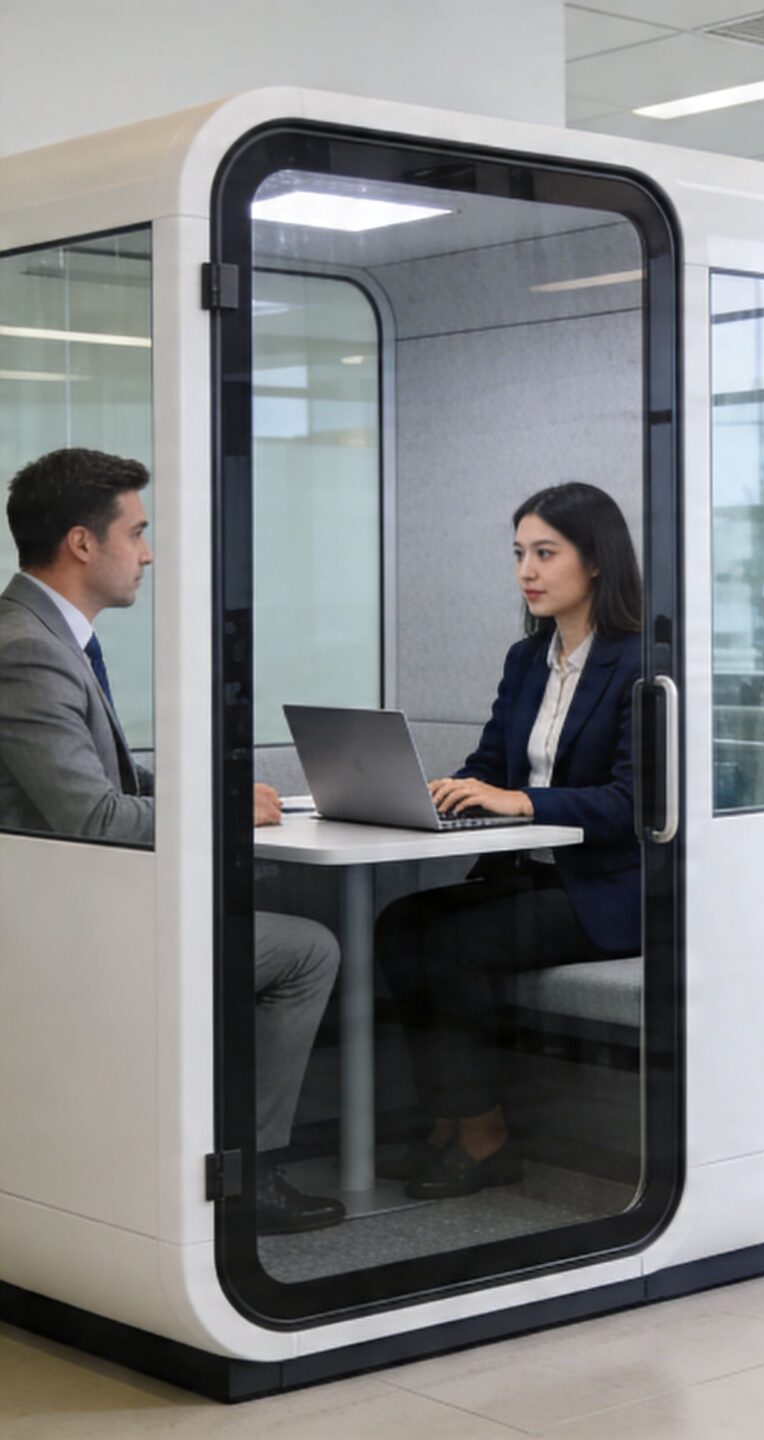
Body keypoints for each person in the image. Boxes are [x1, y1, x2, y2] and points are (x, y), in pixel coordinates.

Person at [0, 447, 344, 1235]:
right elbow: (94, 819)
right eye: (138, 532)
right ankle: (247, 1175)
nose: (148, 553)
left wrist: (220, 798)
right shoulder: (27, 649)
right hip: (65, 924)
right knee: (306, 949)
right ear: (83, 544)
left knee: (273, 922)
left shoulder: (47, 634)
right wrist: (224, 819)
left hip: (81, 902)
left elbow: (105, 782)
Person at [373, 482, 644, 1201]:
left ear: (595, 562)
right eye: (520, 553)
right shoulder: (527, 661)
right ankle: (449, 1120)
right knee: (399, 925)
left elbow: (634, 801)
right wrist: (445, 789)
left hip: (611, 889)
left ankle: (485, 1135)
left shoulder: (644, 662)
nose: (526, 570)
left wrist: (520, 799)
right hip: (532, 876)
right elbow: (490, 768)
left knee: (456, 942)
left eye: (545, 553)